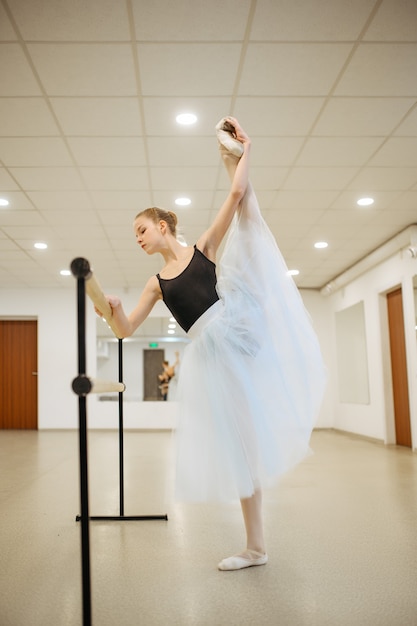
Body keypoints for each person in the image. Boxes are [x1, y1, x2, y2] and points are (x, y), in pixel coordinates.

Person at [95, 117, 326, 571]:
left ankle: (256, 547)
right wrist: (111, 307)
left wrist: (242, 153)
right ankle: (256, 547)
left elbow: (236, 196)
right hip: (209, 356)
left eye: (142, 230)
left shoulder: (202, 249)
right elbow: (124, 330)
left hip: (235, 336)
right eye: (135, 236)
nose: (138, 240)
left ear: (163, 225)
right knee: (240, 449)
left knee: (247, 447)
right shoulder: (156, 283)